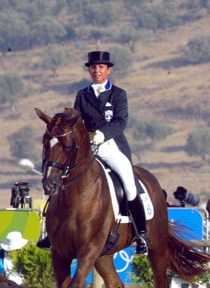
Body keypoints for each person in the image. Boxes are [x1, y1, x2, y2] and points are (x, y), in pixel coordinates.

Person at [37, 51, 149, 255]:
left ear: (108, 70)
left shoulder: (118, 94)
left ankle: (141, 233)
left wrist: (102, 134)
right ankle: (51, 232)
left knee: (129, 185)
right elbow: (77, 119)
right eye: (93, 68)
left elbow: (120, 122)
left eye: (100, 67)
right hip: (87, 147)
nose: (96, 71)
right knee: (61, 179)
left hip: (111, 146)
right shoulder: (82, 95)